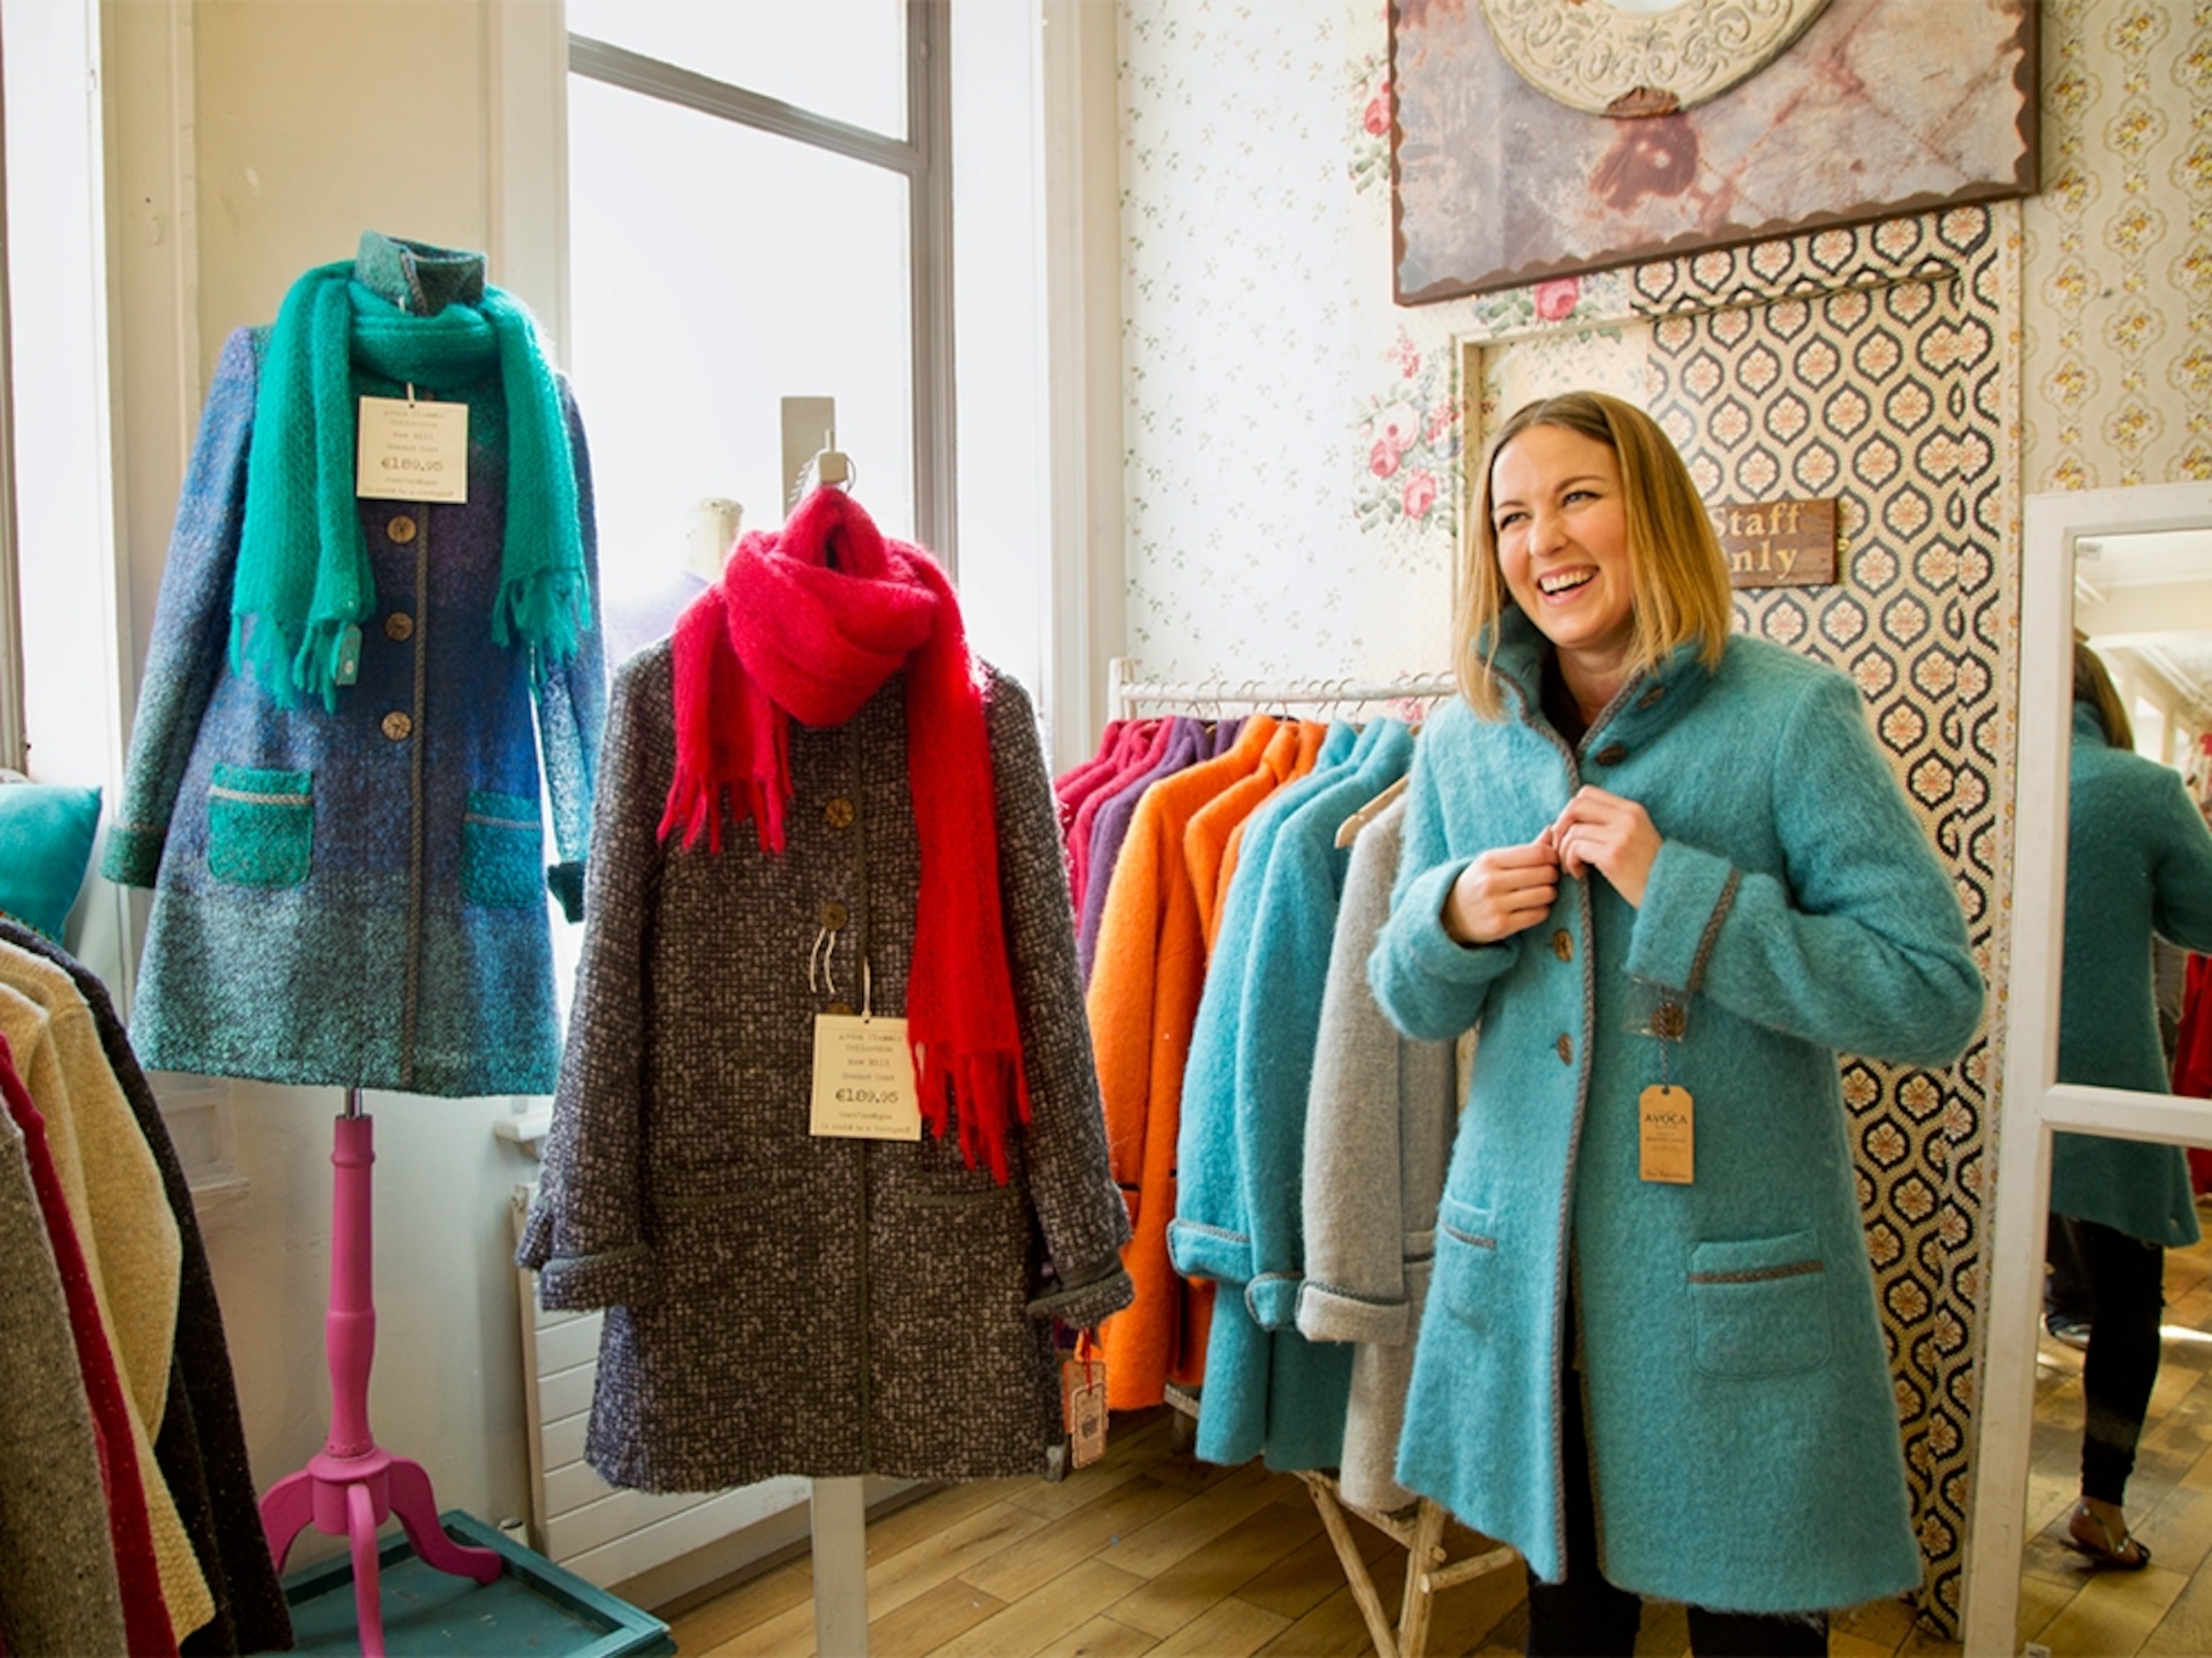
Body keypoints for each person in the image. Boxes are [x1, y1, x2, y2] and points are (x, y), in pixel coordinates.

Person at [1368, 391, 1984, 1654]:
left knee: (1756, 1638)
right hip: (1540, 1306)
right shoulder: (1462, 745)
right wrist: (1449, 916)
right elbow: (1406, 996)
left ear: (1654, 511)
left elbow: (1930, 991)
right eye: (1512, 514)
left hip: (1726, 1298)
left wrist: (1688, 898)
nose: (1545, 539)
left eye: (1579, 496)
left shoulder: (1791, 717)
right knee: (1569, 1633)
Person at [2046, 640, 2212, 1571]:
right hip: (2108, 1082)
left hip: (1982, 1075)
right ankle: (2100, 1505)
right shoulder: (2142, 789)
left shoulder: (1990, 783)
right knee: (2126, 1301)